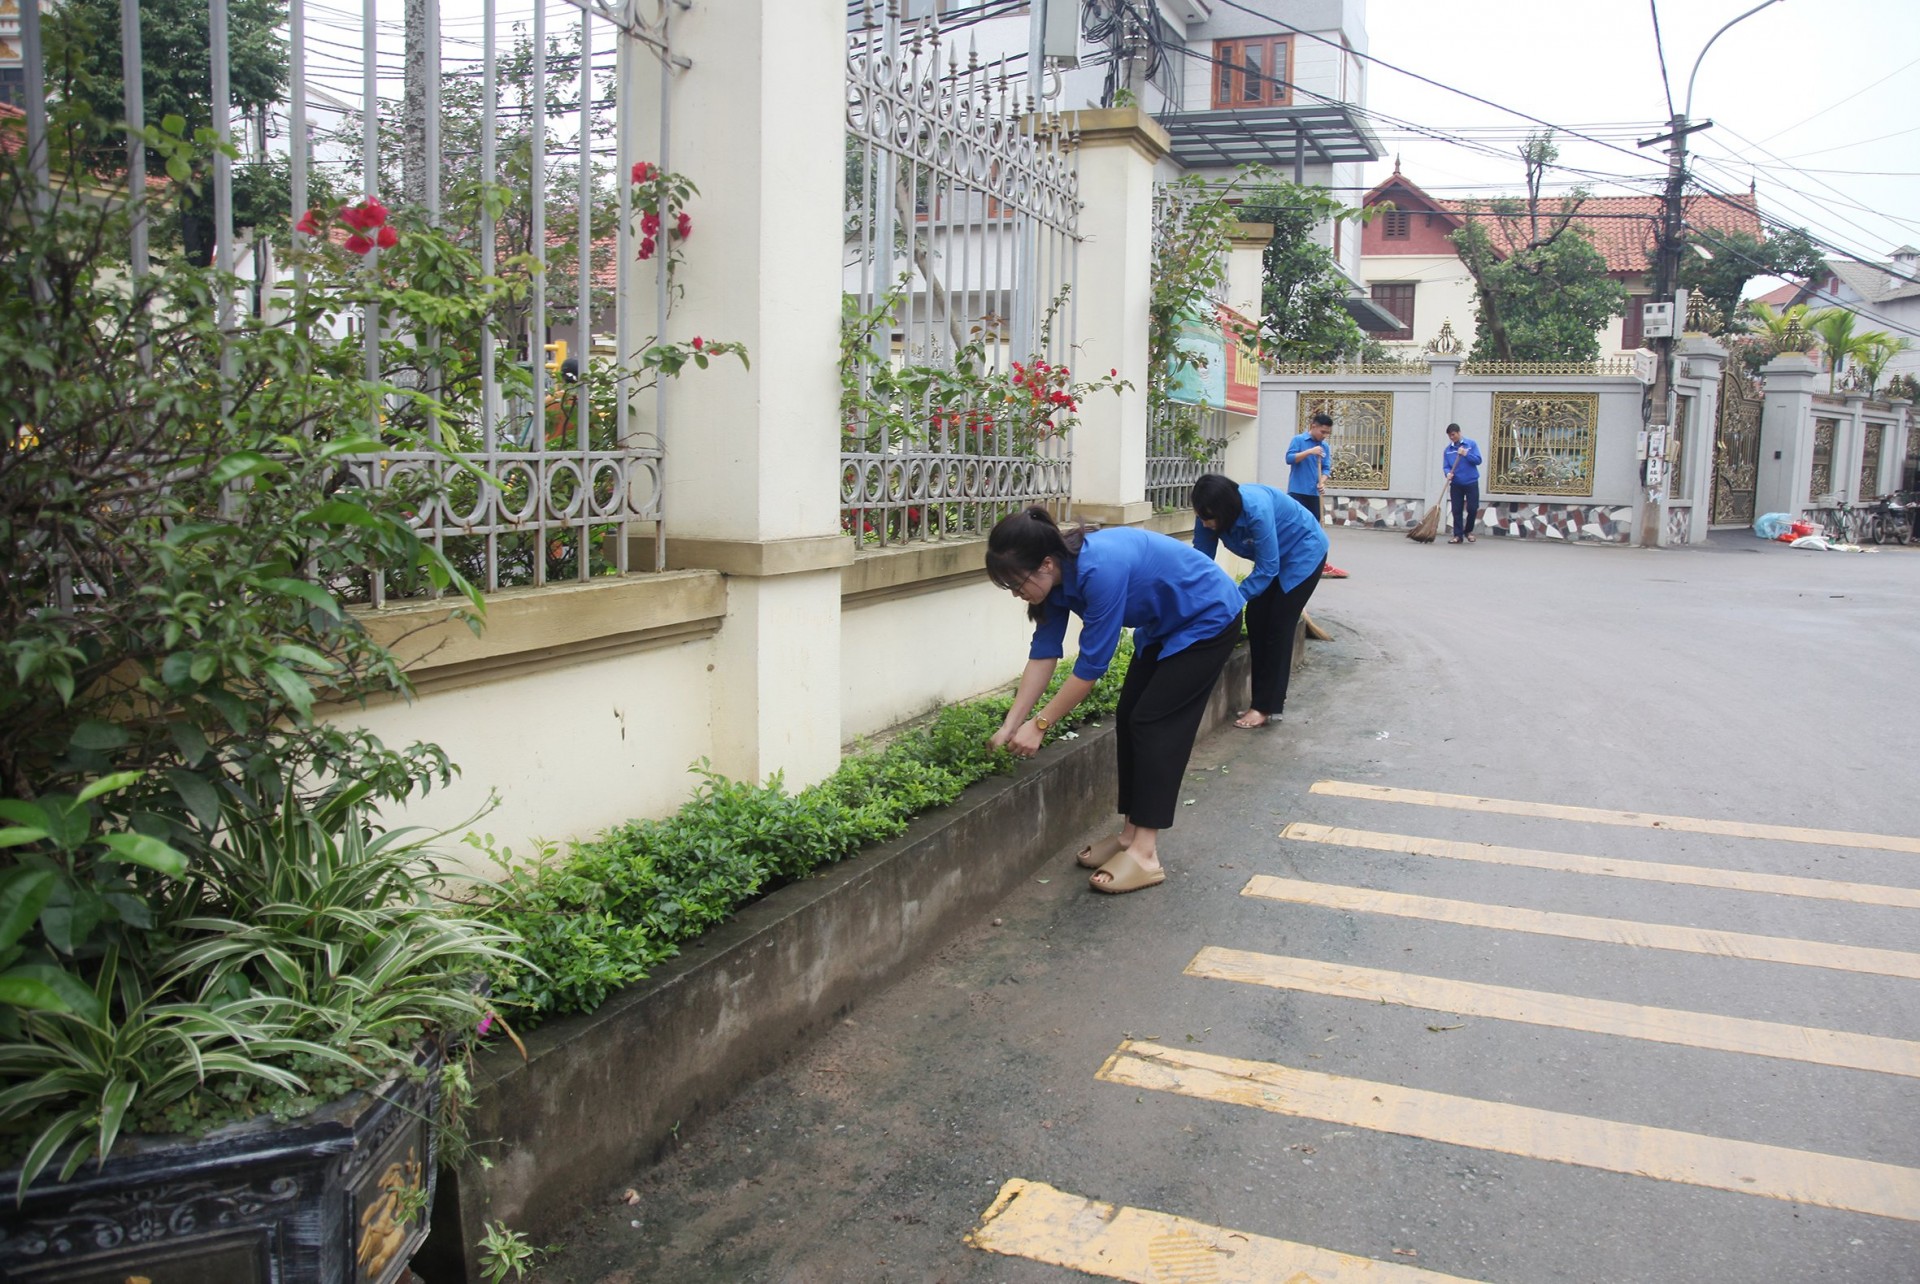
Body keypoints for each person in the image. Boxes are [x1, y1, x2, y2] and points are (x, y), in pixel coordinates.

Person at [986, 507, 1243, 895]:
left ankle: (1146, 854)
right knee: (1129, 716)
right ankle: (1128, 836)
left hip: (1208, 616)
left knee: (1154, 724)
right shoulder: (1054, 582)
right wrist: (1010, 724)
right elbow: (1043, 654)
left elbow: (1091, 668)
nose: (1016, 593)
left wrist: (1039, 725)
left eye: (1016, 583)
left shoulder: (1098, 570)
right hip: (1164, 625)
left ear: (1046, 563)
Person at [1191, 473, 1328, 728]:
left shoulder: (1256, 510)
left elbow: (1267, 568)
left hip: (1303, 553)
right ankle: (1261, 700)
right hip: (1273, 558)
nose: (1205, 523)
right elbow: (1199, 562)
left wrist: (1232, 599)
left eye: (1209, 518)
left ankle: (1265, 706)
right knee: (1256, 618)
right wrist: (1191, 597)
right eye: (1200, 517)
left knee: (1278, 625)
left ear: (1226, 510)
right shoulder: (1207, 512)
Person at [1285, 411, 1350, 578]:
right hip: (1297, 492)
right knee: (1297, 528)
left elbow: (1326, 468)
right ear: (1313, 426)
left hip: (1314, 494)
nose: (1324, 435)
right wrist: (1310, 452)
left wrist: (1322, 481)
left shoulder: (1324, 447)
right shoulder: (1299, 440)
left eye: (1327, 433)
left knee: (1315, 530)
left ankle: (1318, 564)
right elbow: (1289, 459)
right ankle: (1293, 563)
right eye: (1322, 432)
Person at [1442, 422, 1483, 544]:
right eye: (1449, 436)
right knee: (1456, 510)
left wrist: (1466, 454)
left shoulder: (1471, 444)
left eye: (1453, 434)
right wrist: (1447, 474)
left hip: (1471, 482)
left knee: (1472, 508)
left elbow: (1478, 460)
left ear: (1459, 433)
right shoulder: (1448, 450)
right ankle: (1458, 535)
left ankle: (1468, 531)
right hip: (1456, 484)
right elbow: (1446, 466)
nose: (1452, 437)